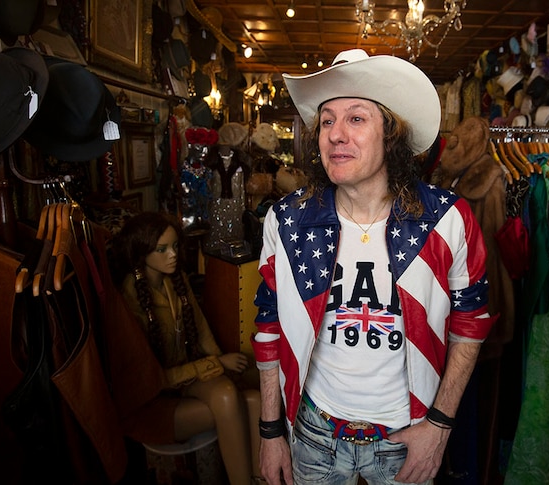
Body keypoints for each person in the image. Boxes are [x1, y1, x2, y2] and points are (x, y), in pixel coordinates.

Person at [251, 49, 496, 485]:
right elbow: (268, 327)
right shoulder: (287, 221)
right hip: (313, 436)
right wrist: (271, 432)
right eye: (327, 121)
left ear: (391, 133)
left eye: (356, 119)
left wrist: (439, 427)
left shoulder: (445, 220)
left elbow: (471, 324)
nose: (335, 135)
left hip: (405, 437)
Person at [113, 211, 261, 485]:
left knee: (253, 399)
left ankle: (259, 480)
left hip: (183, 382)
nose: (172, 254)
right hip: (152, 402)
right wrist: (217, 364)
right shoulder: (130, 300)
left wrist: (219, 361)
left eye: (175, 246)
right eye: (162, 249)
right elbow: (153, 380)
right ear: (141, 252)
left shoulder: (175, 280)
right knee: (230, 398)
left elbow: (202, 331)